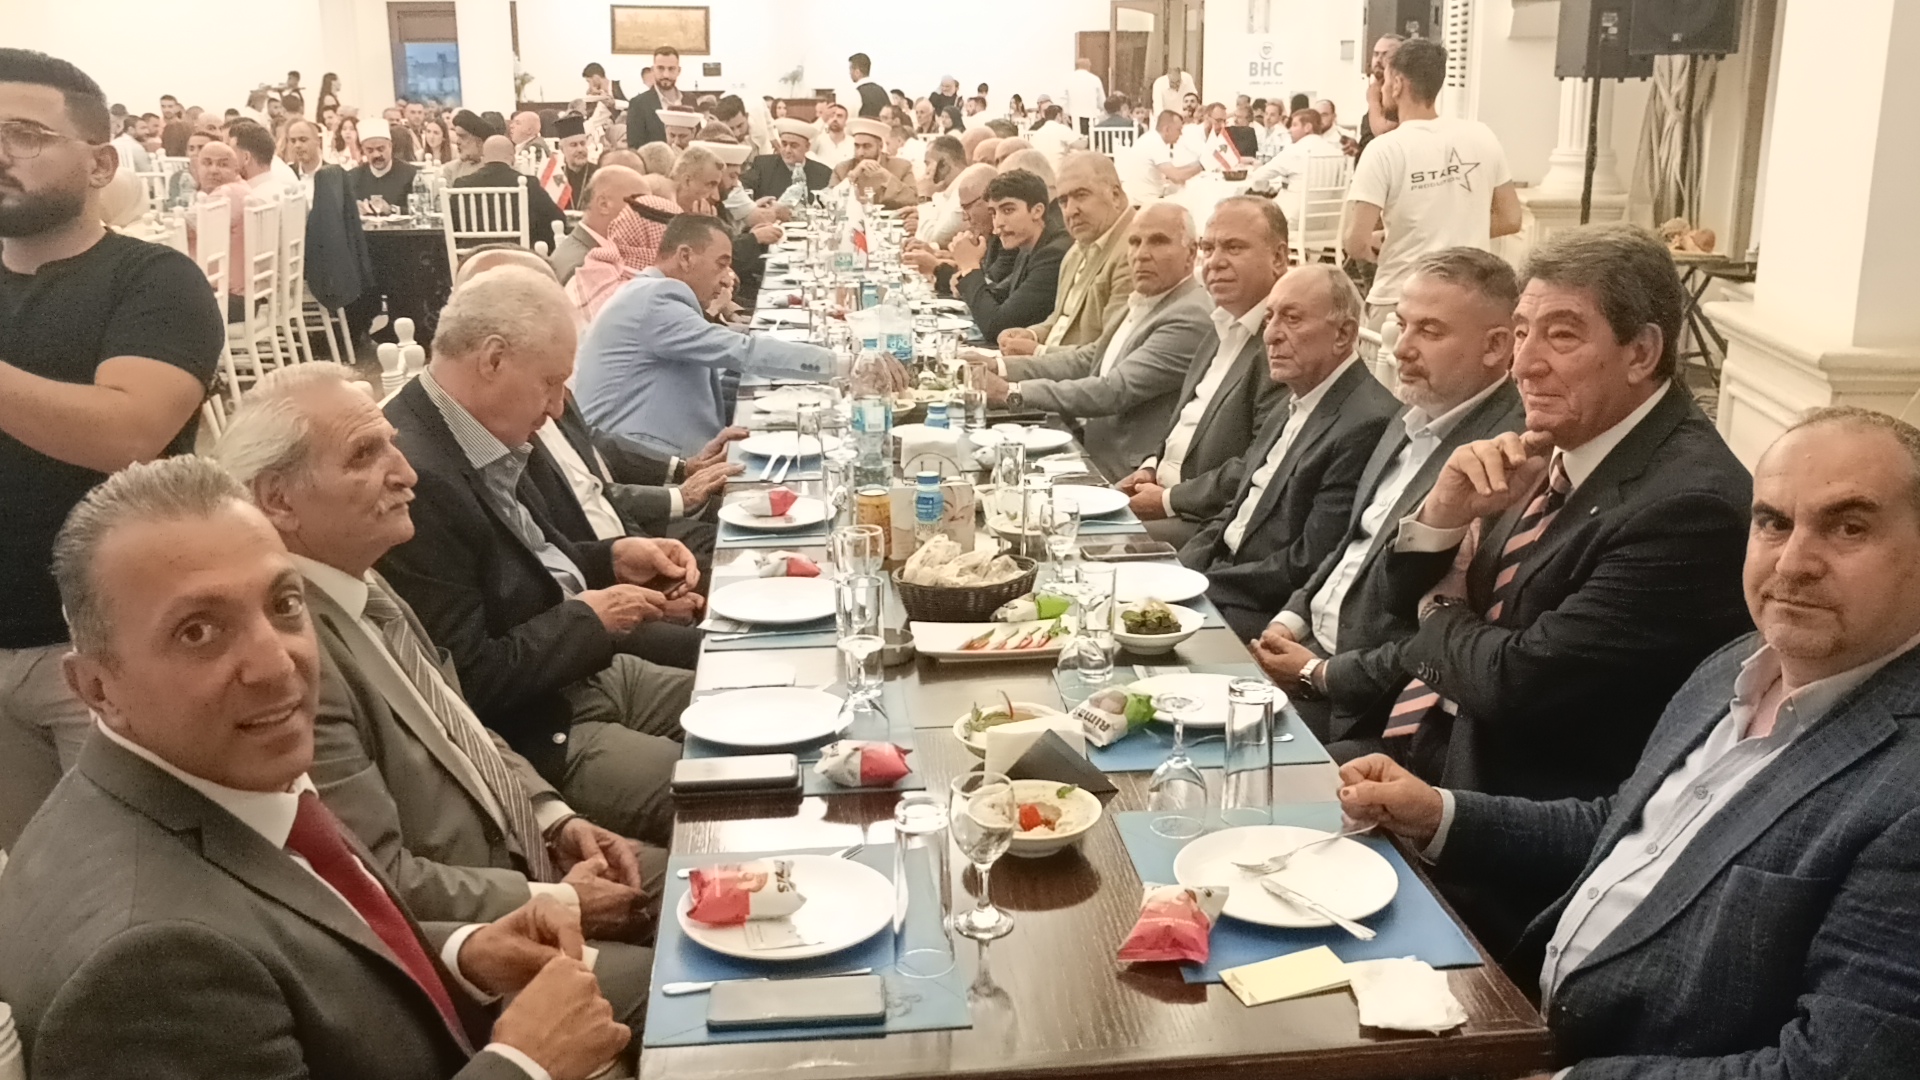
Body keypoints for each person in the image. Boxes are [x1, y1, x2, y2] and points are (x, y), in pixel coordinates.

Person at [0, 455, 633, 1080]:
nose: (278, 665)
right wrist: (524, 1065)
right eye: (198, 632)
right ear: (96, 688)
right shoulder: (145, 966)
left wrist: (462, 953)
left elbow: (303, 950)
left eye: (284, 604)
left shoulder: (200, 772)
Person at [1340, 407, 1920, 1080]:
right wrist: (1438, 813)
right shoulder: (1736, 665)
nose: (1793, 563)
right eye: (1773, 523)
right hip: (1519, 1018)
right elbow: (1626, 830)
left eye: (1849, 528)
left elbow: (1833, 1067)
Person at [210, 365, 661, 1032]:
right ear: (279, 500)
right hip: (476, 947)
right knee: (687, 983)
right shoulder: (293, 661)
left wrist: (555, 820)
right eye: (365, 455)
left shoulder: (363, 581)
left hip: (532, 859)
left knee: (714, 883)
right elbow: (379, 877)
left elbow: (463, 729)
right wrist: (551, 895)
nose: (406, 473)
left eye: (392, 446)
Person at [380, 268, 698, 846]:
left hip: (586, 673)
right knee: (721, 787)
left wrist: (613, 557)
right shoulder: (417, 477)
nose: (555, 407)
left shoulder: (481, 428)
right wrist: (592, 618)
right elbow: (467, 680)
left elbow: (533, 564)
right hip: (540, 728)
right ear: (493, 359)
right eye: (550, 384)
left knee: (746, 696)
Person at [0, 48, 226, 849]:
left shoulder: (154, 281)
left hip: (107, 644)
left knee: (145, 871)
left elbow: (125, 433)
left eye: (26, 135)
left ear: (100, 163)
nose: (2, 154)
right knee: (41, 876)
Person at [1250, 248, 1526, 746]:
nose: (1401, 349)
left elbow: (1439, 637)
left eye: (1430, 331)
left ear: (1495, 346)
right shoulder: (1410, 416)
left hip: (1363, 707)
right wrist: (1290, 619)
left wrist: (1319, 673)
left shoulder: (1504, 461)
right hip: (1304, 647)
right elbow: (1352, 542)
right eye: (1401, 324)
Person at [1176, 265, 1400, 637]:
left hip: (1261, 607)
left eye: (1292, 319)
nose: (1271, 334)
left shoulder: (1366, 422)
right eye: (1269, 318)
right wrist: (1180, 570)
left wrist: (1199, 586)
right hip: (1224, 577)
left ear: (1344, 334)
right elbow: (1237, 509)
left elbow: (1308, 562)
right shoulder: (1295, 396)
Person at [965, 202, 1213, 479]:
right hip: (1086, 445)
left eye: (1158, 242)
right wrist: (998, 366)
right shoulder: (1147, 298)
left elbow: (1113, 390)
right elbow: (1088, 358)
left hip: (1124, 471)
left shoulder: (1190, 314)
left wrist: (1011, 393)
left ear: (1191, 253)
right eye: (1134, 242)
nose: (1142, 254)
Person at [575, 214, 850, 456]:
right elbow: (742, 352)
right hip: (642, 461)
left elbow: (710, 364)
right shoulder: (656, 299)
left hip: (645, 446)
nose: (727, 278)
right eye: (721, 265)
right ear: (685, 257)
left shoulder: (644, 292)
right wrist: (842, 365)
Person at [1114, 196, 1290, 546]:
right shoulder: (1219, 324)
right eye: (1208, 248)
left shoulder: (1282, 345)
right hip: (1163, 497)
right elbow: (1183, 424)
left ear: (1279, 257)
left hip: (1208, 525)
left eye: (1234, 247)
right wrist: (1151, 466)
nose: (1215, 262)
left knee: (1074, 537)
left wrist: (1167, 500)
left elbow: (1258, 465)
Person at [1346, 39, 1522, 335]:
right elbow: (1511, 218)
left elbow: (1355, 242)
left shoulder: (1384, 149)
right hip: (1469, 301)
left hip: (1402, 301)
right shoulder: (1481, 135)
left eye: (1385, 80)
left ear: (1397, 84)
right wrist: (1449, 234)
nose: (1383, 88)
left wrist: (1395, 238)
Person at [995, 152, 1133, 356]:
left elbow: (1108, 354)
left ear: (1115, 196)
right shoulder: (1077, 249)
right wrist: (1032, 335)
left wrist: (1037, 353)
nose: (1070, 211)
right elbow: (1062, 319)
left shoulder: (1134, 250)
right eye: (1063, 201)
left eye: (1081, 195)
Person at [949, 168, 1071, 342]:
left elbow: (997, 326)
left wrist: (969, 268)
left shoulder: (1054, 254)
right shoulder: (1028, 247)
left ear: (1037, 211)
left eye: (1008, 210)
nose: (998, 223)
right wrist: (967, 278)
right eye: (993, 213)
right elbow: (1000, 296)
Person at [451, 135, 569, 257]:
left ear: (483, 157)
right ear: (512, 157)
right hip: (518, 257)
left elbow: (452, 225)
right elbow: (557, 218)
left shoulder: (462, 185)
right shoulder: (528, 184)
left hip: (473, 257)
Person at [549, 164, 647, 284]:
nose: (647, 213)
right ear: (603, 205)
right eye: (640, 204)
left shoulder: (584, 251)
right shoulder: (587, 267)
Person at [830, 116, 915, 209]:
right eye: (857, 146)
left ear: (880, 146)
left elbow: (913, 199)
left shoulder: (902, 166)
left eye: (866, 146)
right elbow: (829, 200)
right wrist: (852, 176)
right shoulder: (842, 169)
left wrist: (887, 177)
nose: (860, 153)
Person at [1120, 110, 1203, 205]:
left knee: (1184, 190)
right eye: (1179, 130)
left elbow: (1173, 172)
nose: (1181, 134)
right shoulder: (1156, 143)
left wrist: (1197, 164)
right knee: (1193, 200)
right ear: (1167, 130)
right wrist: (1201, 165)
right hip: (1145, 201)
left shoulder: (1151, 138)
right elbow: (1177, 177)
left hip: (1138, 196)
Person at [743, 117, 831, 203]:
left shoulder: (823, 173)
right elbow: (743, 190)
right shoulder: (763, 166)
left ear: (807, 147)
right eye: (784, 144)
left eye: (794, 146)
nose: (787, 150)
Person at [1247, 107, 1331, 194]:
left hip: (1293, 201)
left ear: (1307, 128)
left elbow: (1258, 176)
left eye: (1294, 125)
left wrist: (1266, 189)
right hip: (1330, 202)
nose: (1290, 130)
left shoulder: (1294, 150)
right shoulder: (1335, 151)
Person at [346, 117, 416, 207]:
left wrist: (391, 209)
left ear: (390, 146)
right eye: (370, 150)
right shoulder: (353, 177)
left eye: (381, 149)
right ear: (363, 150)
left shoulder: (410, 174)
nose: (376, 155)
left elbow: (418, 209)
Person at [625, 47, 683, 149]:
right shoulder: (638, 104)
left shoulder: (690, 100)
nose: (666, 75)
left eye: (671, 69)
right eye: (660, 68)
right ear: (652, 70)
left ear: (679, 71)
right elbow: (634, 147)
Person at [1360, 34, 1404, 156]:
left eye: (1386, 55)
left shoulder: (1401, 92)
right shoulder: (1377, 91)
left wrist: (1373, 100)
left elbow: (1384, 134)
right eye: (1376, 54)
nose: (1378, 60)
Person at [538, 114, 594, 210]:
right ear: (562, 149)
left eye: (582, 143)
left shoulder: (599, 174)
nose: (580, 149)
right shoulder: (557, 175)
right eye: (574, 145)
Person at [1064, 57, 1107, 134]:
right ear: (1088, 67)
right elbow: (1102, 103)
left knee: (1074, 138)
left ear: (1076, 66)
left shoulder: (1068, 78)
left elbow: (1062, 99)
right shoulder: (1095, 79)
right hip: (1090, 118)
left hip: (1072, 118)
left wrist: (1064, 113)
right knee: (1090, 139)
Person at [811, 102, 854, 168]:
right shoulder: (819, 140)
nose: (835, 119)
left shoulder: (853, 142)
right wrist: (822, 119)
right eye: (831, 116)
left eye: (839, 116)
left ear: (846, 121)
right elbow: (807, 138)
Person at [509, 110, 548, 176]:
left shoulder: (535, 146)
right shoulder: (526, 143)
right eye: (512, 123)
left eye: (517, 123)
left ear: (529, 130)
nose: (511, 126)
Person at [849, 52, 887, 118]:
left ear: (857, 72)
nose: (849, 73)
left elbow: (852, 119)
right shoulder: (883, 91)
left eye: (850, 69)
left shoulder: (856, 93)